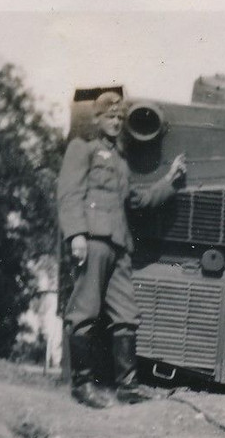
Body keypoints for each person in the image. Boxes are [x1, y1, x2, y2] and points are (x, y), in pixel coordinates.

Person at [57, 91, 187, 408]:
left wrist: (169, 181)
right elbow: (68, 193)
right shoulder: (82, 148)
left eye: (119, 118)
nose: (115, 123)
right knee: (84, 311)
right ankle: (82, 384)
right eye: (110, 117)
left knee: (126, 314)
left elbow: (136, 202)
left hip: (119, 245)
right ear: (97, 119)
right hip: (93, 241)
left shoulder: (120, 161)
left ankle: (128, 387)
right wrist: (76, 234)